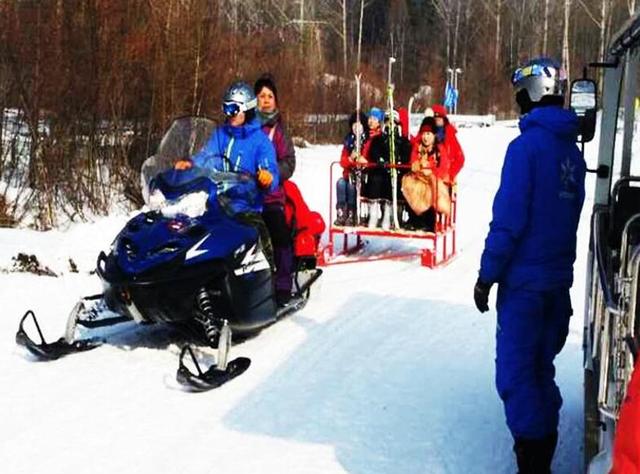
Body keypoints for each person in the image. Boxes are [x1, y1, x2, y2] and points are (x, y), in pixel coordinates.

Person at [474, 57, 586, 473]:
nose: (518, 104)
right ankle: (544, 447)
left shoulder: (525, 149)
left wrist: (487, 276)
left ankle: (533, 462)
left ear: (533, 93)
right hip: (557, 286)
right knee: (541, 367)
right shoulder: (571, 155)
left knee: (517, 376)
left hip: (525, 286)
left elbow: (508, 221)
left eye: (521, 95)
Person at [188, 81, 280, 268]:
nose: (228, 114)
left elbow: (269, 167)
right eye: (225, 108)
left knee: (258, 233)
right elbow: (206, 156)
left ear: (246, 109)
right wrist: (190, 165)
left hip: (245, 205)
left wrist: (267, 176)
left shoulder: (260, 141)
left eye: (232, 109)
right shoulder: (221, 134)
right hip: (215, 201)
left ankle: (270, 276)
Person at [253, 73, 297, 307]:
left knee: (278, 233)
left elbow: (289, 162)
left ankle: (282, 284)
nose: (266, 100)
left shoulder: (278, 132)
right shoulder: (243, 128)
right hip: (242, 196)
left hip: (270, 197)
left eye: (270, 96)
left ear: (276, 101)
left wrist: (272, 172)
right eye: (261, 96)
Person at [362, 108, 410, 229]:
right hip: (381, 170)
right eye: (388, 122)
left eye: (393, 122)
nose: (390, 125)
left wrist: (399, 162)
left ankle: (391, 215)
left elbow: (406, 154)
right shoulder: (379, 139)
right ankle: (373, 214)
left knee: (396, 182)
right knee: (376, 179)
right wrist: (380, 160)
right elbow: (374, 152)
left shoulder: (402, 140)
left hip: (396, 171)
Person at [401, 118, 450, 231]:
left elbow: (443, 168)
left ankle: (429, 221)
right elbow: (412, 161)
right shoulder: (417, 148)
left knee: (430, 190)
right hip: (418, 178)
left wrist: (431, 171)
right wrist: (416, 165)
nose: (425, 137)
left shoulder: (439, 149)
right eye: (424, 134)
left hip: (433, 179)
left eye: (428, 134)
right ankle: (415, 219)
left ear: (433, 135)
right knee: (409, 186)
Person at [334, 111, 368, 226]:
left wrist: (361, 160)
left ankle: (351, 213)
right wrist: (350, 159)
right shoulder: (348, 141)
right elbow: (342, 161)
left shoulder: (366, 141)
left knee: (351, 186)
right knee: (340, 183)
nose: (356, 127)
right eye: (354, 125)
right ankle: (341, 212)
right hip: (348, 174)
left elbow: (367, 159)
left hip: (361, 177)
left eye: (359, 124)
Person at [428, 104, 465, 187]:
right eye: (435, 118)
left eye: (439, 118)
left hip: (445, 180)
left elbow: (460, 158)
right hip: (428, 180)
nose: (437, 121)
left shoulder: (450, 136)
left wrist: (450, 174)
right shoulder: (425, 134)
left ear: (444, 120)